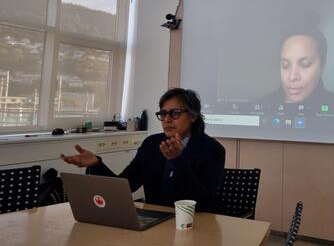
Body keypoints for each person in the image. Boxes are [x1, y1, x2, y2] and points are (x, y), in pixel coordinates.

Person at [60, 88, 225, 212]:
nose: (166, 120)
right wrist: (97, 163)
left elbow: (204, 202)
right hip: (155, 222)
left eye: (174, 113)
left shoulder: (212, 150)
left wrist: (176, 160)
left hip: (194, 224)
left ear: (193, 116)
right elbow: (126, 186)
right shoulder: (151, 144)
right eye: (163, 114)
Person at [260, 28, 334, 109]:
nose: (292, 77)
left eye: (304, 64)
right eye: (285, 65)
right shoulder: (262, 106)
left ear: (322, 65)